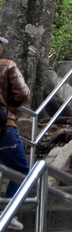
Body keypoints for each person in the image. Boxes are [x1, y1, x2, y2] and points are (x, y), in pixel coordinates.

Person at [0, 36, 30, 231]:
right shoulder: (7, 65)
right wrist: (10, 105)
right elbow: (23, 93)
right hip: (4, 127)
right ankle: (9, 211)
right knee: (20, 170)